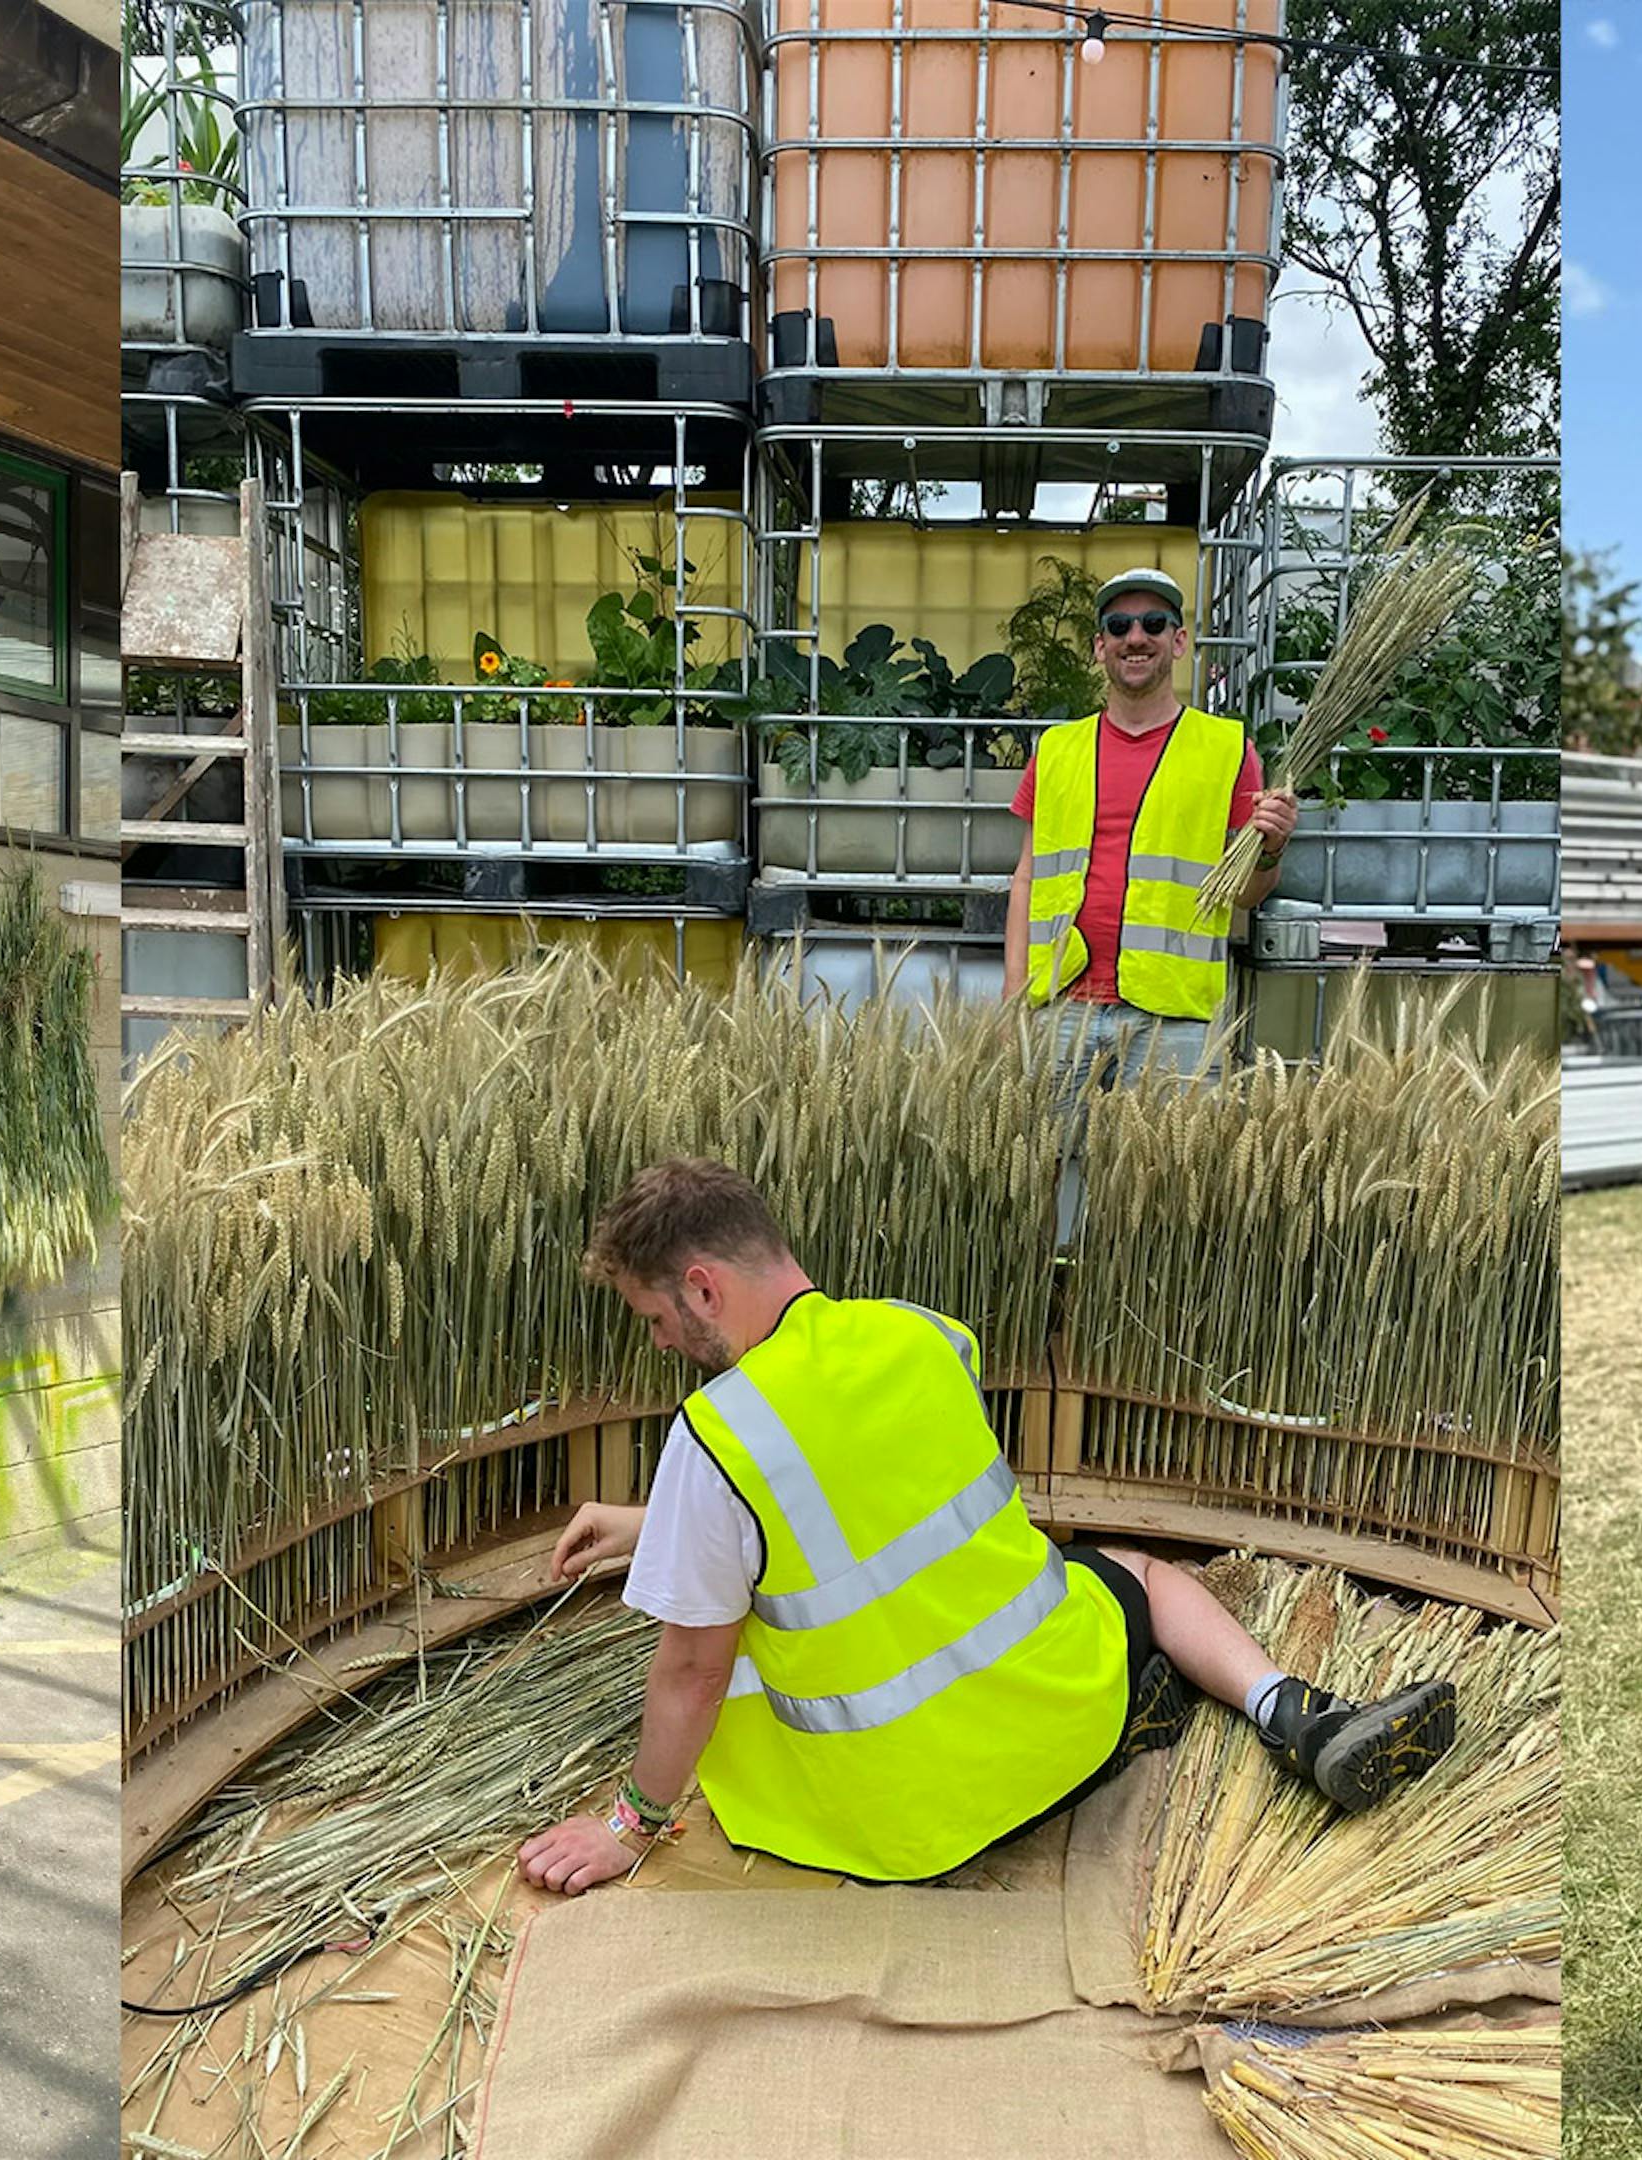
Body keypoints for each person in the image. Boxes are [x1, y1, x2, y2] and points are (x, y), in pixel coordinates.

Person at [514, 1158, 1456, 1895]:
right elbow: (862, 1492)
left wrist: (629, 1826)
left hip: (897, 1825)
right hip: (1061, 1742)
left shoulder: (715, 1436)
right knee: (1136, 1572)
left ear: (704, 1287)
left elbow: (693, 1669)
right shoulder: (925, 1336)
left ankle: (1179, 1712)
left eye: (655, 1317)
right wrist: (660, 1523)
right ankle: (1295, 1714)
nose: (661, 1342)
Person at [1000, 566, 1299, 1237]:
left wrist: (1272, 848)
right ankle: (1056, 1322)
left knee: (1164, 1186)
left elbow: (1247, 890)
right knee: (1035, 1175)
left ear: (1180, 641)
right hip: (1061, 1004)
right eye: (1119, 626)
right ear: (1100, 647)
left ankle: (1132, 1321)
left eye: (1153, 624)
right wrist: (1014, 994)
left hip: (1175, 1015)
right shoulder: (1056, 750)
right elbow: (1025, 876)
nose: (1136, 637)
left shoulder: (1228, 751)